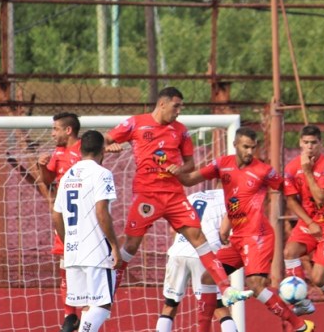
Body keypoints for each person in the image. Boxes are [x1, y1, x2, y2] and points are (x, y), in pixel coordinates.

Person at [174, 127, 315, 332]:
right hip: (238, 237)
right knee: (208, 277)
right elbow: (190, 180)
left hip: (258, 236)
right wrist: (171, 171)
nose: (250, 152)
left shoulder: (263, 171)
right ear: (235, 145)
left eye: (253, 147)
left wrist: (307, 206)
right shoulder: (222, 164)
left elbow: (287, 190)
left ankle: (300, 326)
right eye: (246, 147)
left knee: (256, 285)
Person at [105, 86, 251, 307]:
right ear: (162, 104)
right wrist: (110, 146)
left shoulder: (181, 131)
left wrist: (180, 169)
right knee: (132, 244)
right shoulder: (136, 122)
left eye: (181, 107)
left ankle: (225, 288)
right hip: (147, 194)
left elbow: (190, 163)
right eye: (176, 106)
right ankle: (111, 286)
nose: (179, 111)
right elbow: (106, 139)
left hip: (174, 196)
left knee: (198, 238)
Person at [147, 189, 255, 332]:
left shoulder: (193, 196)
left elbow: (174, 227)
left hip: (178, 250)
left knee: (170, 306)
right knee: (220, 307)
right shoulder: (232, 197)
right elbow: (226, 229)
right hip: (204, 252)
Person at [54, 130, 121, 332]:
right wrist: (114, 245)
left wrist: (68, 239)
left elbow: (56, 215)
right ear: (102, 150)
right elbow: (102, 211)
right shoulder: (102, 173)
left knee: (88, 309)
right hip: (95, 250)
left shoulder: (68, 174)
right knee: (102, 307)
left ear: (81, 149)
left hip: (73, 252)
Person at [282, 125, 324, 330]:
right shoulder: (292, 168)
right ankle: (302, 301)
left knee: (318, 279)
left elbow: (320, 198)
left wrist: (309, 171)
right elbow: (291, 201)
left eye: (314, 143)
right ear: (300, 143)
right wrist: (309, 223)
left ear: (321, 144)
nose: (309, 147)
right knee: (289, 252)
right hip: (309, 222)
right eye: (306, 143)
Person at [37, 112, 83, 332]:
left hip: (83, 220)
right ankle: (69, 316)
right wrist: (41, 165)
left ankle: (81, 313)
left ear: (68, 130)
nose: (52, 133)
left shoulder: (85, 149)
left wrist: (111, 146)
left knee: (81, 267)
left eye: (55, 129)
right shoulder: (57, 153)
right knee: (64, 265)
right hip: (65, 218)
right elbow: (45, 180)